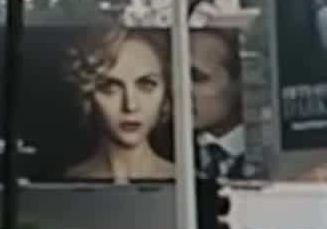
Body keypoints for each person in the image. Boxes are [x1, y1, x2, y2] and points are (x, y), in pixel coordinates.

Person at [63, 26, 177, 183]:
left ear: (166, 92)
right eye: (110, 88)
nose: (130, 105)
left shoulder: (187, 184)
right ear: (87, 94)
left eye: (146, 85)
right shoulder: (66, 182)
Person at [191, 29, 252, 179]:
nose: (178, 90)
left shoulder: (271, 155)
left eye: (197, 77)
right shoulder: (168, 153)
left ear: (240, 82)